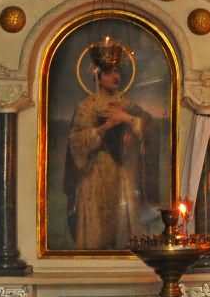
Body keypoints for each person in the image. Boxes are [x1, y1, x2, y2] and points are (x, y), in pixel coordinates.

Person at [65, 42, 152, 250]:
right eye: (110, 72)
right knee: (96, 231)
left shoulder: (128, 105)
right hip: (95, 174)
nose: (116, 77)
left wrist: (128, 119)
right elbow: (76, 142)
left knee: (124, 227)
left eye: (118, 71)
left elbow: (148, 128)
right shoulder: (87, 107)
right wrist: (105, 128)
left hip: (123, 173)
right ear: (98, 75)